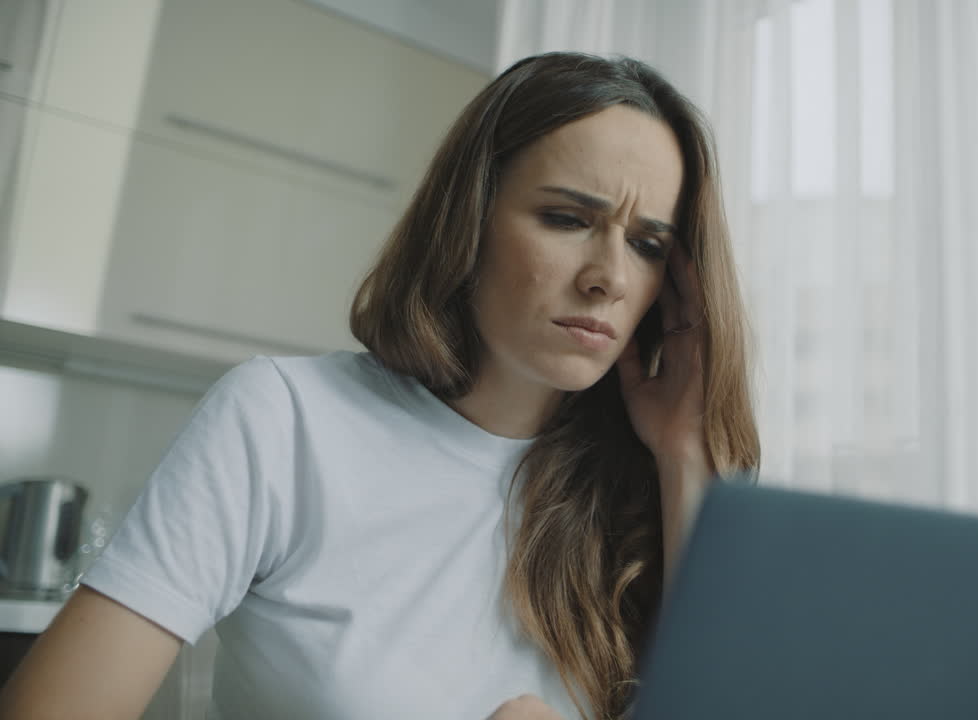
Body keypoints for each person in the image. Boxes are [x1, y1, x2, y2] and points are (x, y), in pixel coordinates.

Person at [0, 52, 759, 720]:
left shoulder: (651, 486)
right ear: (468, 219)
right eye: (566, 218)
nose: (610, 278)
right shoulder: (284, 420)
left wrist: (685, 451)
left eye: (648, 244)